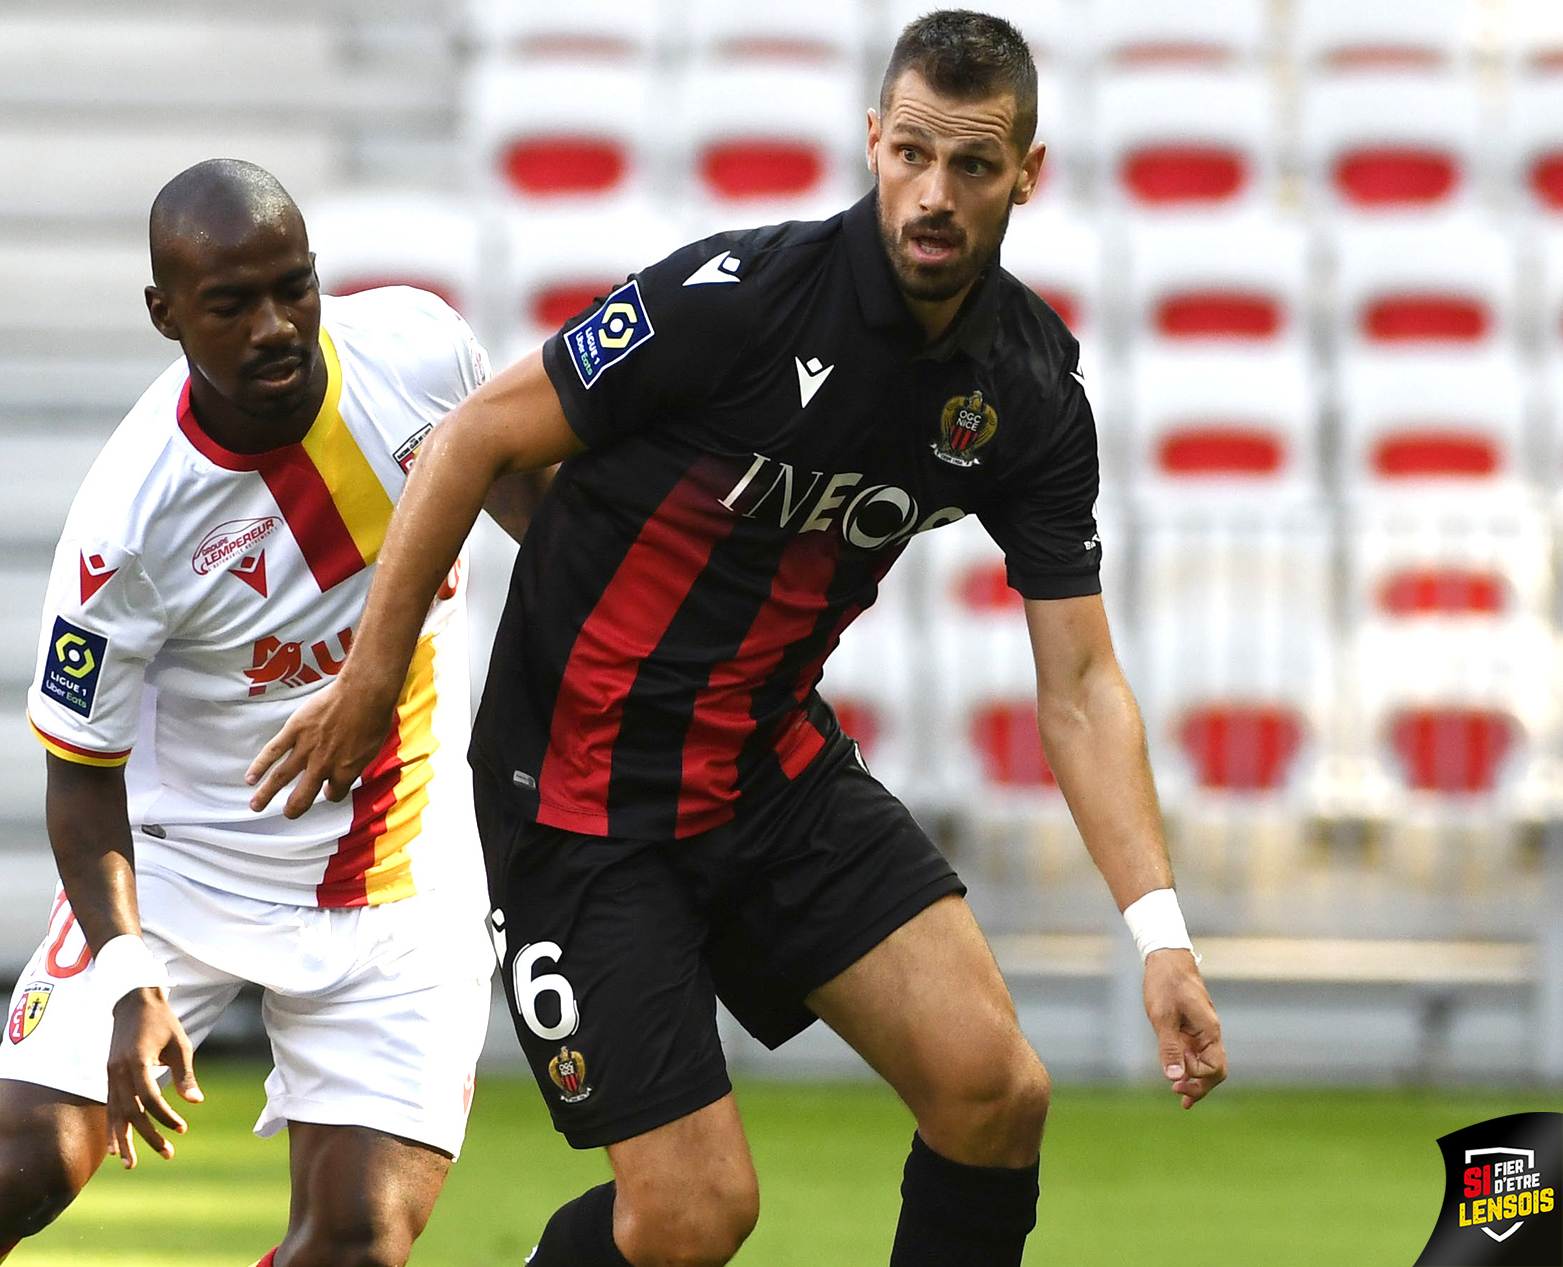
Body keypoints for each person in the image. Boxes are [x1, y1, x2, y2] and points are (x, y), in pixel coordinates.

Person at [248, 12, 1228, 1267]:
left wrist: (1159, 936)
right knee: (694, 1214)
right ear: (872, 143)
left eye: (972, 167)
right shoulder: (741, 301)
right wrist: (368, 683)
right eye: (912, 154)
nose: (934, 195)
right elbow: (476, 437)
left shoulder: (1027, 392)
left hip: (762, 771)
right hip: (577, 795)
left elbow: (1082, 686)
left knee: (995, 1093)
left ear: (1025, 176)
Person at [0, 158, 540, 1267]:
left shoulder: (423, 356)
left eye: (296, 286)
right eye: (232, 304)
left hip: (399, 878)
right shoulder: (124, 521)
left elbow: (553, 539)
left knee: (357, 1242)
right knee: (25, 1168)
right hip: (188, 871)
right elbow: (79, 778)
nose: (276, 326)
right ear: (163, 313)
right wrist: (130, 976)